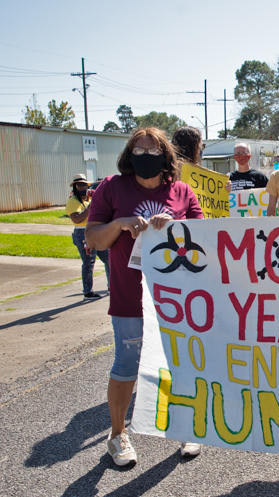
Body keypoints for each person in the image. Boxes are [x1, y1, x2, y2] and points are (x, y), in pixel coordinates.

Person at [85, 127, 204, 466]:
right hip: (130, 298)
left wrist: (175, 228)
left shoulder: (182, 192)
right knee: (127, 364)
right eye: (139, 150)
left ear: (166, 156)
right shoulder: (111, 187)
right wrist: (120, 222)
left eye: (153, 152)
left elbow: (203, 243)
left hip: (177, 301)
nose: (145, 157)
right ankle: (117, 435)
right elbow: (94, 239)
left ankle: (186, 427)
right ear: (128, 154)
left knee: (181, 364)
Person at [66, 174, 109, 301]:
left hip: (96, 231)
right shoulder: (72, 202)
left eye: (84, 185)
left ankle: (111, 287)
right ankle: (88, 292)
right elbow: (77, 219)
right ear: (74, 187)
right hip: (82, 234)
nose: (82, 187)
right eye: (79, 185)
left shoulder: (89, 199)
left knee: (108, 258)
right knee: (89, 263)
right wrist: (91, 207)